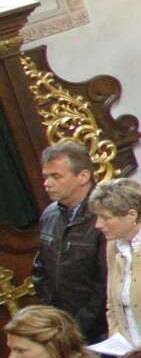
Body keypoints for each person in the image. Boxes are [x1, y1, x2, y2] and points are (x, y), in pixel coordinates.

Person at [35, 141, 105, 337]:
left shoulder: (104, 214)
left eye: (56, 176)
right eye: (45, 177)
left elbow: (106, 282)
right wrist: (56, 318)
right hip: (64, 324)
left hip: (102, 327)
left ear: (83, 176)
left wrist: (79, 325)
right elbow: (40, 269)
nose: (47, 183)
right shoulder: (49, 215)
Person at [91, 176, 141, 348]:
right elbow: (112, 306)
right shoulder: (113, 244)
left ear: (131, 215)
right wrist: (120, 346)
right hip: (130, 354)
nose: (98, 224)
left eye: (105, 217)